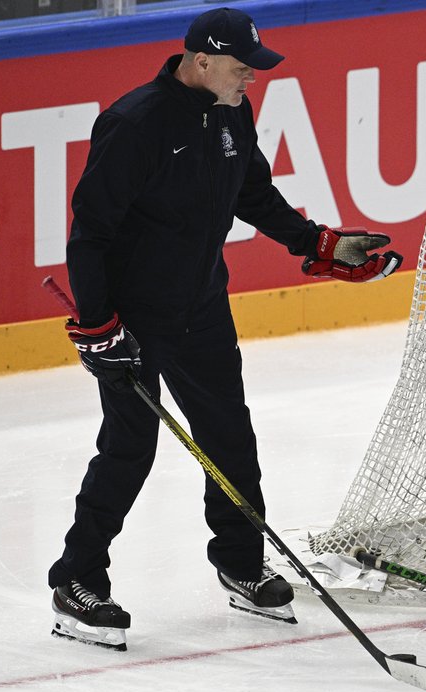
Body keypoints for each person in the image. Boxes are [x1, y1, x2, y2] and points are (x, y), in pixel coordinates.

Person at [48, 7, 401, 651]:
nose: (251, 81)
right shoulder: (133, 125)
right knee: (131, 449)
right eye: (242, 69)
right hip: (134, 319)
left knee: (230, 438)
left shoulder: (231, 109)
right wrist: (98, 326)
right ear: (201, 61)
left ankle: (239, 563)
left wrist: (318, 243)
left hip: (203, 307)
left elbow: (254, 192)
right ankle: (76, 580)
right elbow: (89, 234)